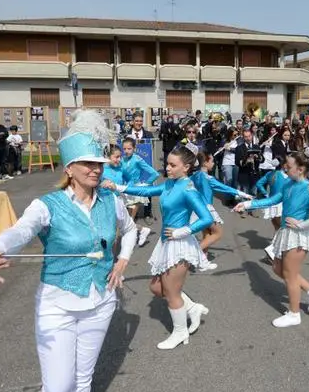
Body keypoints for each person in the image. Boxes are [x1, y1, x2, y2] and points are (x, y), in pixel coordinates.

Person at [0, 110, 136, 392]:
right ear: (69, 169)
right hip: (56, 304)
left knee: (83, 377)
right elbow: (22, 231)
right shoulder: (48, 205)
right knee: (58, 386)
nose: (96, 169)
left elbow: (132, 230)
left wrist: (122, 260)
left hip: (100, 302)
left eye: (100, 163)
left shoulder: (111, 201)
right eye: (87, 163)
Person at [103, 146, 214, 349]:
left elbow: (207, 218)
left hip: (179, 244)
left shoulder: (188, 189)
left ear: (186, 167)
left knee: (171, 292)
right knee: (156, 287)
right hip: (166, 242)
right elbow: (146, 190)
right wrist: (118, 188)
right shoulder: (170, 184)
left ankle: (180, 332)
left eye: (173, 165)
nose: (167, 168)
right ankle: (192, 308)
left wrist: (184, 230)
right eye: (167, 164)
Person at [234, 152, 309, 327]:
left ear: (300, 170)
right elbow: (272, 200)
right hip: (286, 232)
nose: (285, 167)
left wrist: (302, 224)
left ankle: (294, 314)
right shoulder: (288, 184)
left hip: (298, 235)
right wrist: (247, 204)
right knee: (277, 268)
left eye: (289, 166)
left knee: (290, 275)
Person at [190, 151, 253, 270]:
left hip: (197, 208)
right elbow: (225, 188)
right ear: (205, 162)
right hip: (205, 208)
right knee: (217, 233)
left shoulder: (195, 175)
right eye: (212, 161)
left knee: (207, 234)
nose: (213, 163)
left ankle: (202, 261)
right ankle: (193, 253)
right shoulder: (207, 177)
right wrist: (244, 194)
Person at [121, 137, 157, 247]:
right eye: (124, 149)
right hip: (124, 190)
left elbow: (154, 173)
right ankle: (142, 231)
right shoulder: (122, 160)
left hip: (135, 192)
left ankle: (131, 240)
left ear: (134, 148)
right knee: (125, 220)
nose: (126, 151)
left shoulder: (137, 159)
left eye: (129, 148)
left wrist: (146, 185)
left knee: (129, 220)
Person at [255, 163, 291, 261]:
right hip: (281, 205)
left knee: (277, 228)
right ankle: (273, 252)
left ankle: (275, 252)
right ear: (284, 165)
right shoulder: (287, 177)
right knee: (283, 229)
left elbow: (258, 183)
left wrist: (266, 193)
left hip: (271, 205)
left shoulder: (270, 174)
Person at [124, 114, 155, 225]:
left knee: (147, 186)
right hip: (131, 167)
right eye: (136, 121)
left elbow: (151, 151)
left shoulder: (149, 135)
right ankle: (133, 213)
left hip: (145, 165)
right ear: (132, 121)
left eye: (141, 121)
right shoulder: (127, 135)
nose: (139, 123)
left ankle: (147, 213)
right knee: (131, 188)